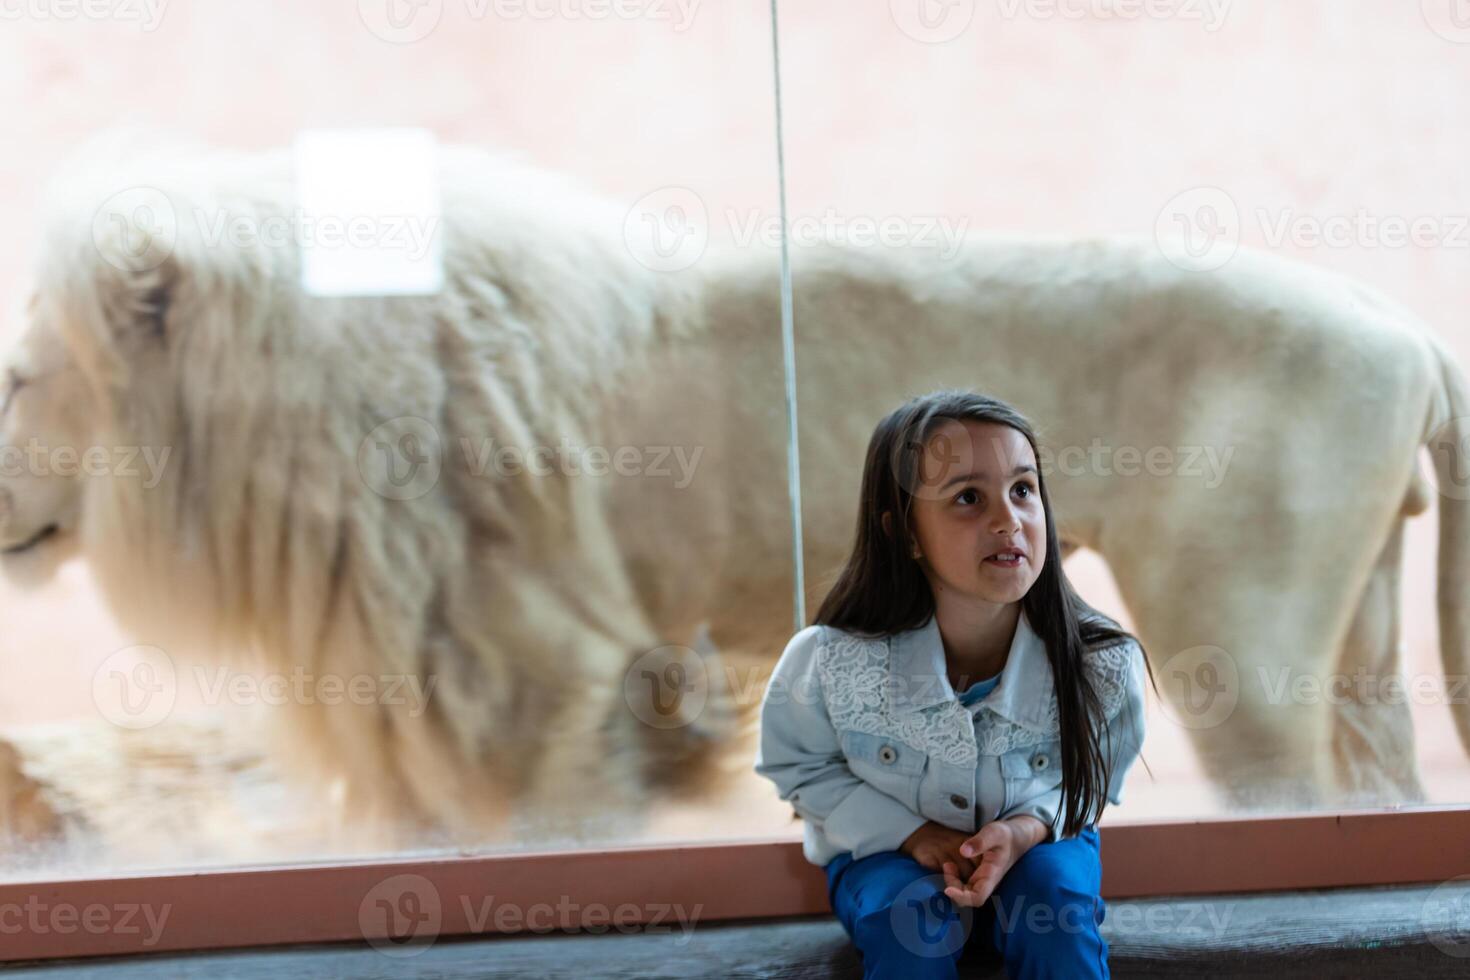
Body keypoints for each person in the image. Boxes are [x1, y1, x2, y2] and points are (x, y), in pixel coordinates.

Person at [754, 389, 1157, 979]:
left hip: (1040, 850)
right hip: (887, 860)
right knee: (911, 922)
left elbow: (1096, 777)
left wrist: (1027, 828)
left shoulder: (1101, 661)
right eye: (969, 497)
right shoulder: (829, 661)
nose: (1007, 520)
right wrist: (912, 834)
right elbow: (798, 766)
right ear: (904, 534)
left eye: (1023, 490)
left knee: (1054, 914)